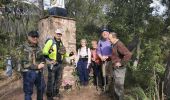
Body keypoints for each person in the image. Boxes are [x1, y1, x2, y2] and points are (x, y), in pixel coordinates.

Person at [17, 31, 46, 100]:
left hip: (38, 72)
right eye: (33, 36)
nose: (35, 38)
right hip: (28, 73)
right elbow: (24, 64)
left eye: (37, 36)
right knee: (28, 92)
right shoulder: (23, 48)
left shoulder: (39, 47)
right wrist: (37, 66)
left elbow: (42, 58)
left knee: (42, 88)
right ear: (29, 37)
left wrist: (43, 62)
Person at [42, 29, 66, 100]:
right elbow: (44, 52)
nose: (59, 35)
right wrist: (50, 60)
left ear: (61, 35)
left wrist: (70, 55)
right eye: (57, 34)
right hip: (52, 65)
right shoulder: (50, 41)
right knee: (51, 80)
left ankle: (55, 94)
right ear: (55, 34)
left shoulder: (61, 43)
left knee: (57, 80)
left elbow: (63, 53)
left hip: (59, 64)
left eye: (60, 34)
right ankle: (49, 96)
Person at [108, 32, 132, 100]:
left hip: (120, 70)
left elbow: (128, 54)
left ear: (114, 38)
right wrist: (109, 57)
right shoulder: (114, 44)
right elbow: (116, 55)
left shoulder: (119, 44)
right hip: (116, 68)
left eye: (110, 39)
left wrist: (121, 63)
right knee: (116, 86)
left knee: (119, 87)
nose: (109, 41)